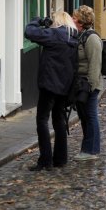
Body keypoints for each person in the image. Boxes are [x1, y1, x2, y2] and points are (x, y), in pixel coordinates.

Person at [24, 11, 78, 171]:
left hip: (49, 84)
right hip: (64, 86)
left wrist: (37, 20)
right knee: (59, 121)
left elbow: (29, 32)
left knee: (42, 120)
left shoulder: (54, 35)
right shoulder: (73, 38)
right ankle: (60, 159)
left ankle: (45, 160)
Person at [72, 5, 102, 161]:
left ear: (81, 22)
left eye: (75, 18)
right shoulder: (81, 35)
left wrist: (90, 87)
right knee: (85, 117)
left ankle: (91, 151)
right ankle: (88, 148)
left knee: (90, 117)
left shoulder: (92, 39)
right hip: (81, 83)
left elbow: (95, 65)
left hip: (89, 85)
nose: (72, 19)